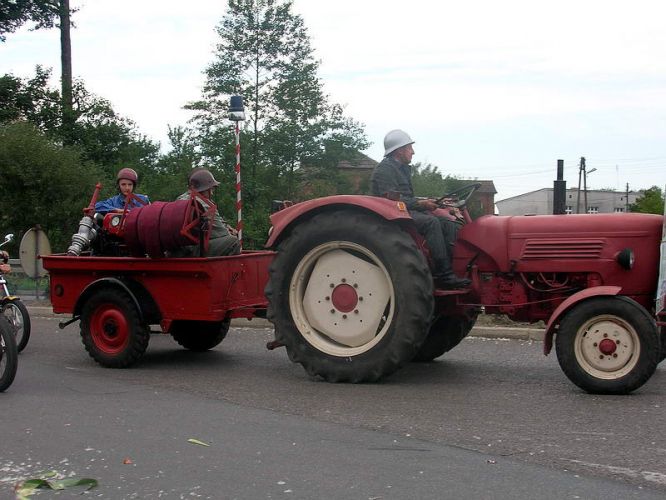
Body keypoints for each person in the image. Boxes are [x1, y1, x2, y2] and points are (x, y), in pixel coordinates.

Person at [370, 129, 470, 289]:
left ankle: (452, 269)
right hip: (393, 215)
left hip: (404, 209)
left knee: (448, 222)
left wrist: (427, 200)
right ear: (399, 150)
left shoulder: (401, 168)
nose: (413, 152)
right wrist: (421, 204)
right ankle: (443, 275)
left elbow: (406, 196)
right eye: (410, 148)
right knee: (431, 222)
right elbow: (390, 200)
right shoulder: (385, 170)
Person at [170, 168, 241, 257]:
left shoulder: (179, 200)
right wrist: (231, 232)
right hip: (191, 251)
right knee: (233, 241)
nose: (211, 193)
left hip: (175, 251)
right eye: (210, 189)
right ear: (204, 189)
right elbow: (222, 233)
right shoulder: (204, 205)